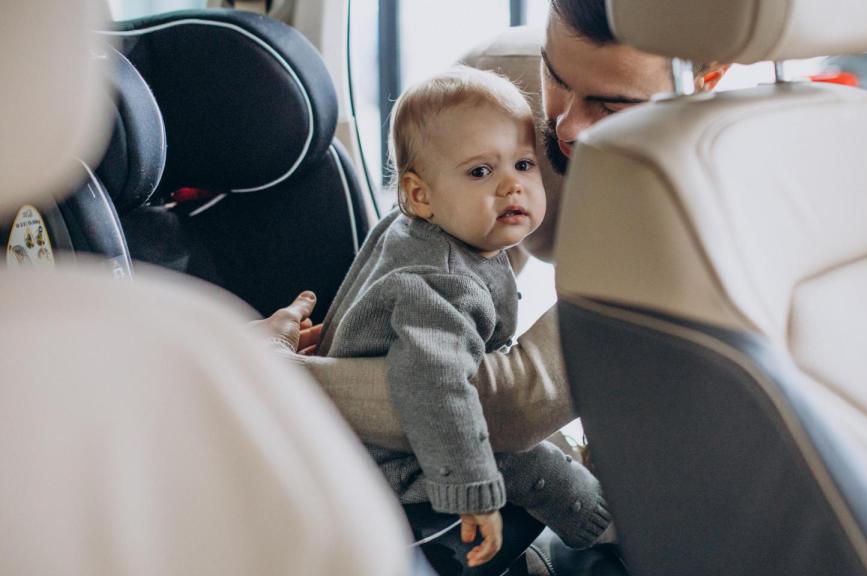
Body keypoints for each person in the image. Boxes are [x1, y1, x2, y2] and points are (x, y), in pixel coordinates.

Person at [261, 0, 728, 457]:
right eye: (556, 77)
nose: (565, 126)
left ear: (705, 81)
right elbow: (438, 276)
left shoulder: (698, 198)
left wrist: (260, 372)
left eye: (610, 105)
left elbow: (510, 406)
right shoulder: (497, 84)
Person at [315, 66, 612, 569]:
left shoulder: (417, 229)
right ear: (420, 195)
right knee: (528, 460)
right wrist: (472, 492)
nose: (511, 187)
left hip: (386, 437)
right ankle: (601, 527)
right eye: (480, 171)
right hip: (394, 461)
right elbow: (435, 383)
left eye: (523, 164)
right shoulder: (439, 281)